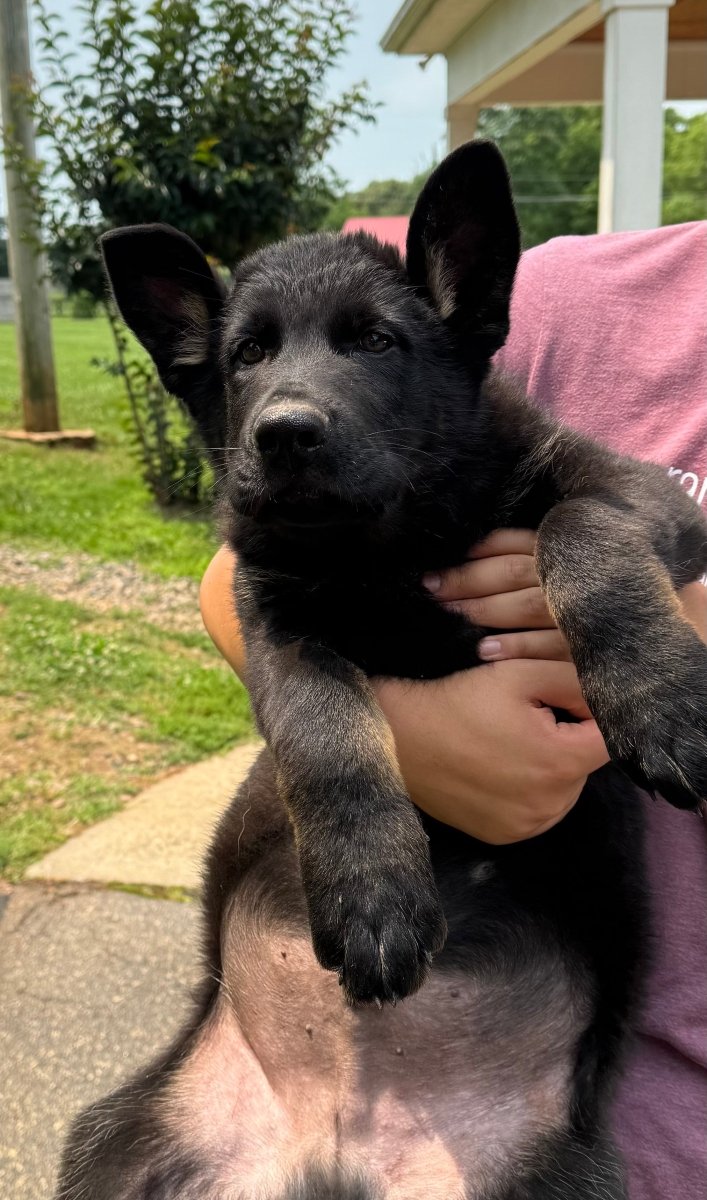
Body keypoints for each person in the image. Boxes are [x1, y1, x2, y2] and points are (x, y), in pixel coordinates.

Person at [200, 220, 707, 1199]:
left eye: (370, 343)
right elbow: (239, 574)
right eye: (253, 352)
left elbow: (656, 516)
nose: (294, 391)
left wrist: (628, 600)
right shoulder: (579, 301)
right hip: (297, 1043)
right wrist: (392, 745)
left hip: (591, 1101)